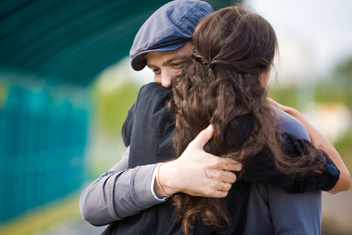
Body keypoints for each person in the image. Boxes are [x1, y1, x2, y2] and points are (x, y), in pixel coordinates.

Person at [80, 0, 351, 234]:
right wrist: (169, 176)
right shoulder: (164, 114)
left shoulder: (152, 113)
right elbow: (337, 177)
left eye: (177, 64)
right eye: (154, 71)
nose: (163, 84)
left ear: (209, 55)